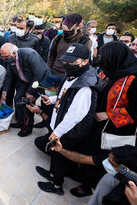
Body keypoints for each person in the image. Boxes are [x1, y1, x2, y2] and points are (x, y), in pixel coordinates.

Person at [35, 43, 101, 195]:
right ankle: (52, 175)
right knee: (54, 153)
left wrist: (58, 132)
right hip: (59, 122)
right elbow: (64, 95)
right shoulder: (72, 74)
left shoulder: (85, 85)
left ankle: (57, 186)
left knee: (59, 155)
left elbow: (75, 115)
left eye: (72, 62)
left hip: (67, 129)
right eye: (66, 61)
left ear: (85, 61)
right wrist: (52, 101)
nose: (67, 65)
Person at [0, 47, 51, 137]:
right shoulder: (9, 59)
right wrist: (4, 93)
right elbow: (9, 77)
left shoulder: (29, 54)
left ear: (14, 53)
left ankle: (28, 128)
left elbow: (38, 74)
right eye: (2, 57)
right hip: (25, 80)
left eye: (6, 57)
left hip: (40, 80)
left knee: (28, 102)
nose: (4, 59)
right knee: (18, 98)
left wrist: (30, 92)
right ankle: (20, 121)